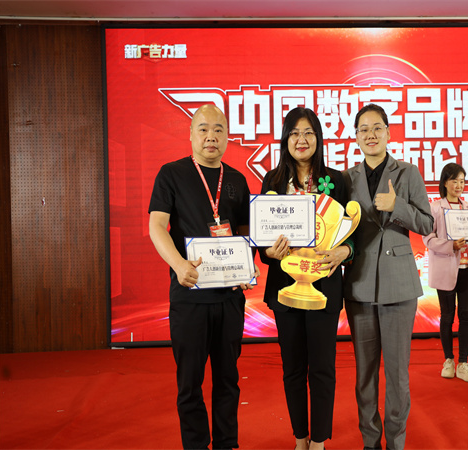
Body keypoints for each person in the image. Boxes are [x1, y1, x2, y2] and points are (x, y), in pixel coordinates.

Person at [148, 104, 258, 449]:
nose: (211, 136)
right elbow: (156, 225)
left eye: (218, 130)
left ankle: (227, 444)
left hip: (229, 298)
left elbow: (244, 231)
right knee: (189, 383)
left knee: (228, 380)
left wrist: (248, 265)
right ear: (191, 134)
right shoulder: (172, 174)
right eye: (204, 129)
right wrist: (179, 264)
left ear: (227, 136)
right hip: (190, 295)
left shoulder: (237, 180)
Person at [258, 107, 352, 450]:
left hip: (324, 287)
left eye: (309, 132)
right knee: (293, 368)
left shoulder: (337, 180)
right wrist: (269, 252)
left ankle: (319, 440)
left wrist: (345, 252)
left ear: (318, 138)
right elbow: (262, 239)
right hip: (286, 289)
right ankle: (300, 438)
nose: (302, 139)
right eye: (295, 133)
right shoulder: (272, 181)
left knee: (323, 367)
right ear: (286, 139)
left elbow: (352, 233)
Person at [342, 103, 433, 450]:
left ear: (388, 132)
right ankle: (370, 440)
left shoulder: (408, 172)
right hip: (359, 284)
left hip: (399, 285)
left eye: (377, 127)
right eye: (363, 129)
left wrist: (397, 207)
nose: (371, 134)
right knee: (364, 373)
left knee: (396, 373)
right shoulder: (346, 179)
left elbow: (428, 223)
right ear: (356, 137)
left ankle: (396, 441)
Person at [422, 163, 468, 383]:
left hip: (467, 270)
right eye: (454, 181)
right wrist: (450, 245)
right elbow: (427, 238)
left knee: (466, 316)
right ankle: (448, 360)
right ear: (445, 182)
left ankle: (463, 363)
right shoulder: (435, 208)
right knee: (447, 316)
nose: (459, 185)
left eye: (462, 181)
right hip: (446, 270)